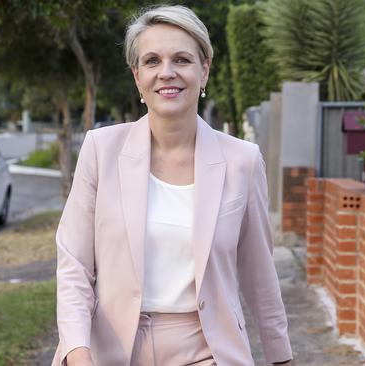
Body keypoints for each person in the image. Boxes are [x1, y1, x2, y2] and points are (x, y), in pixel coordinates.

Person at [53, 5, 293, 366]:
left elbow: (259, 271)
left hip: (206, 351)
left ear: (204, 69)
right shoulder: (101, 150)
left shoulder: (243, 161)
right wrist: (77, 351)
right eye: (152, 61)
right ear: (137, 75)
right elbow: (74, 263)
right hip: (109, 352)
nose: (167, 73)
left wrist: (281, 356)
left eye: (181, 59)